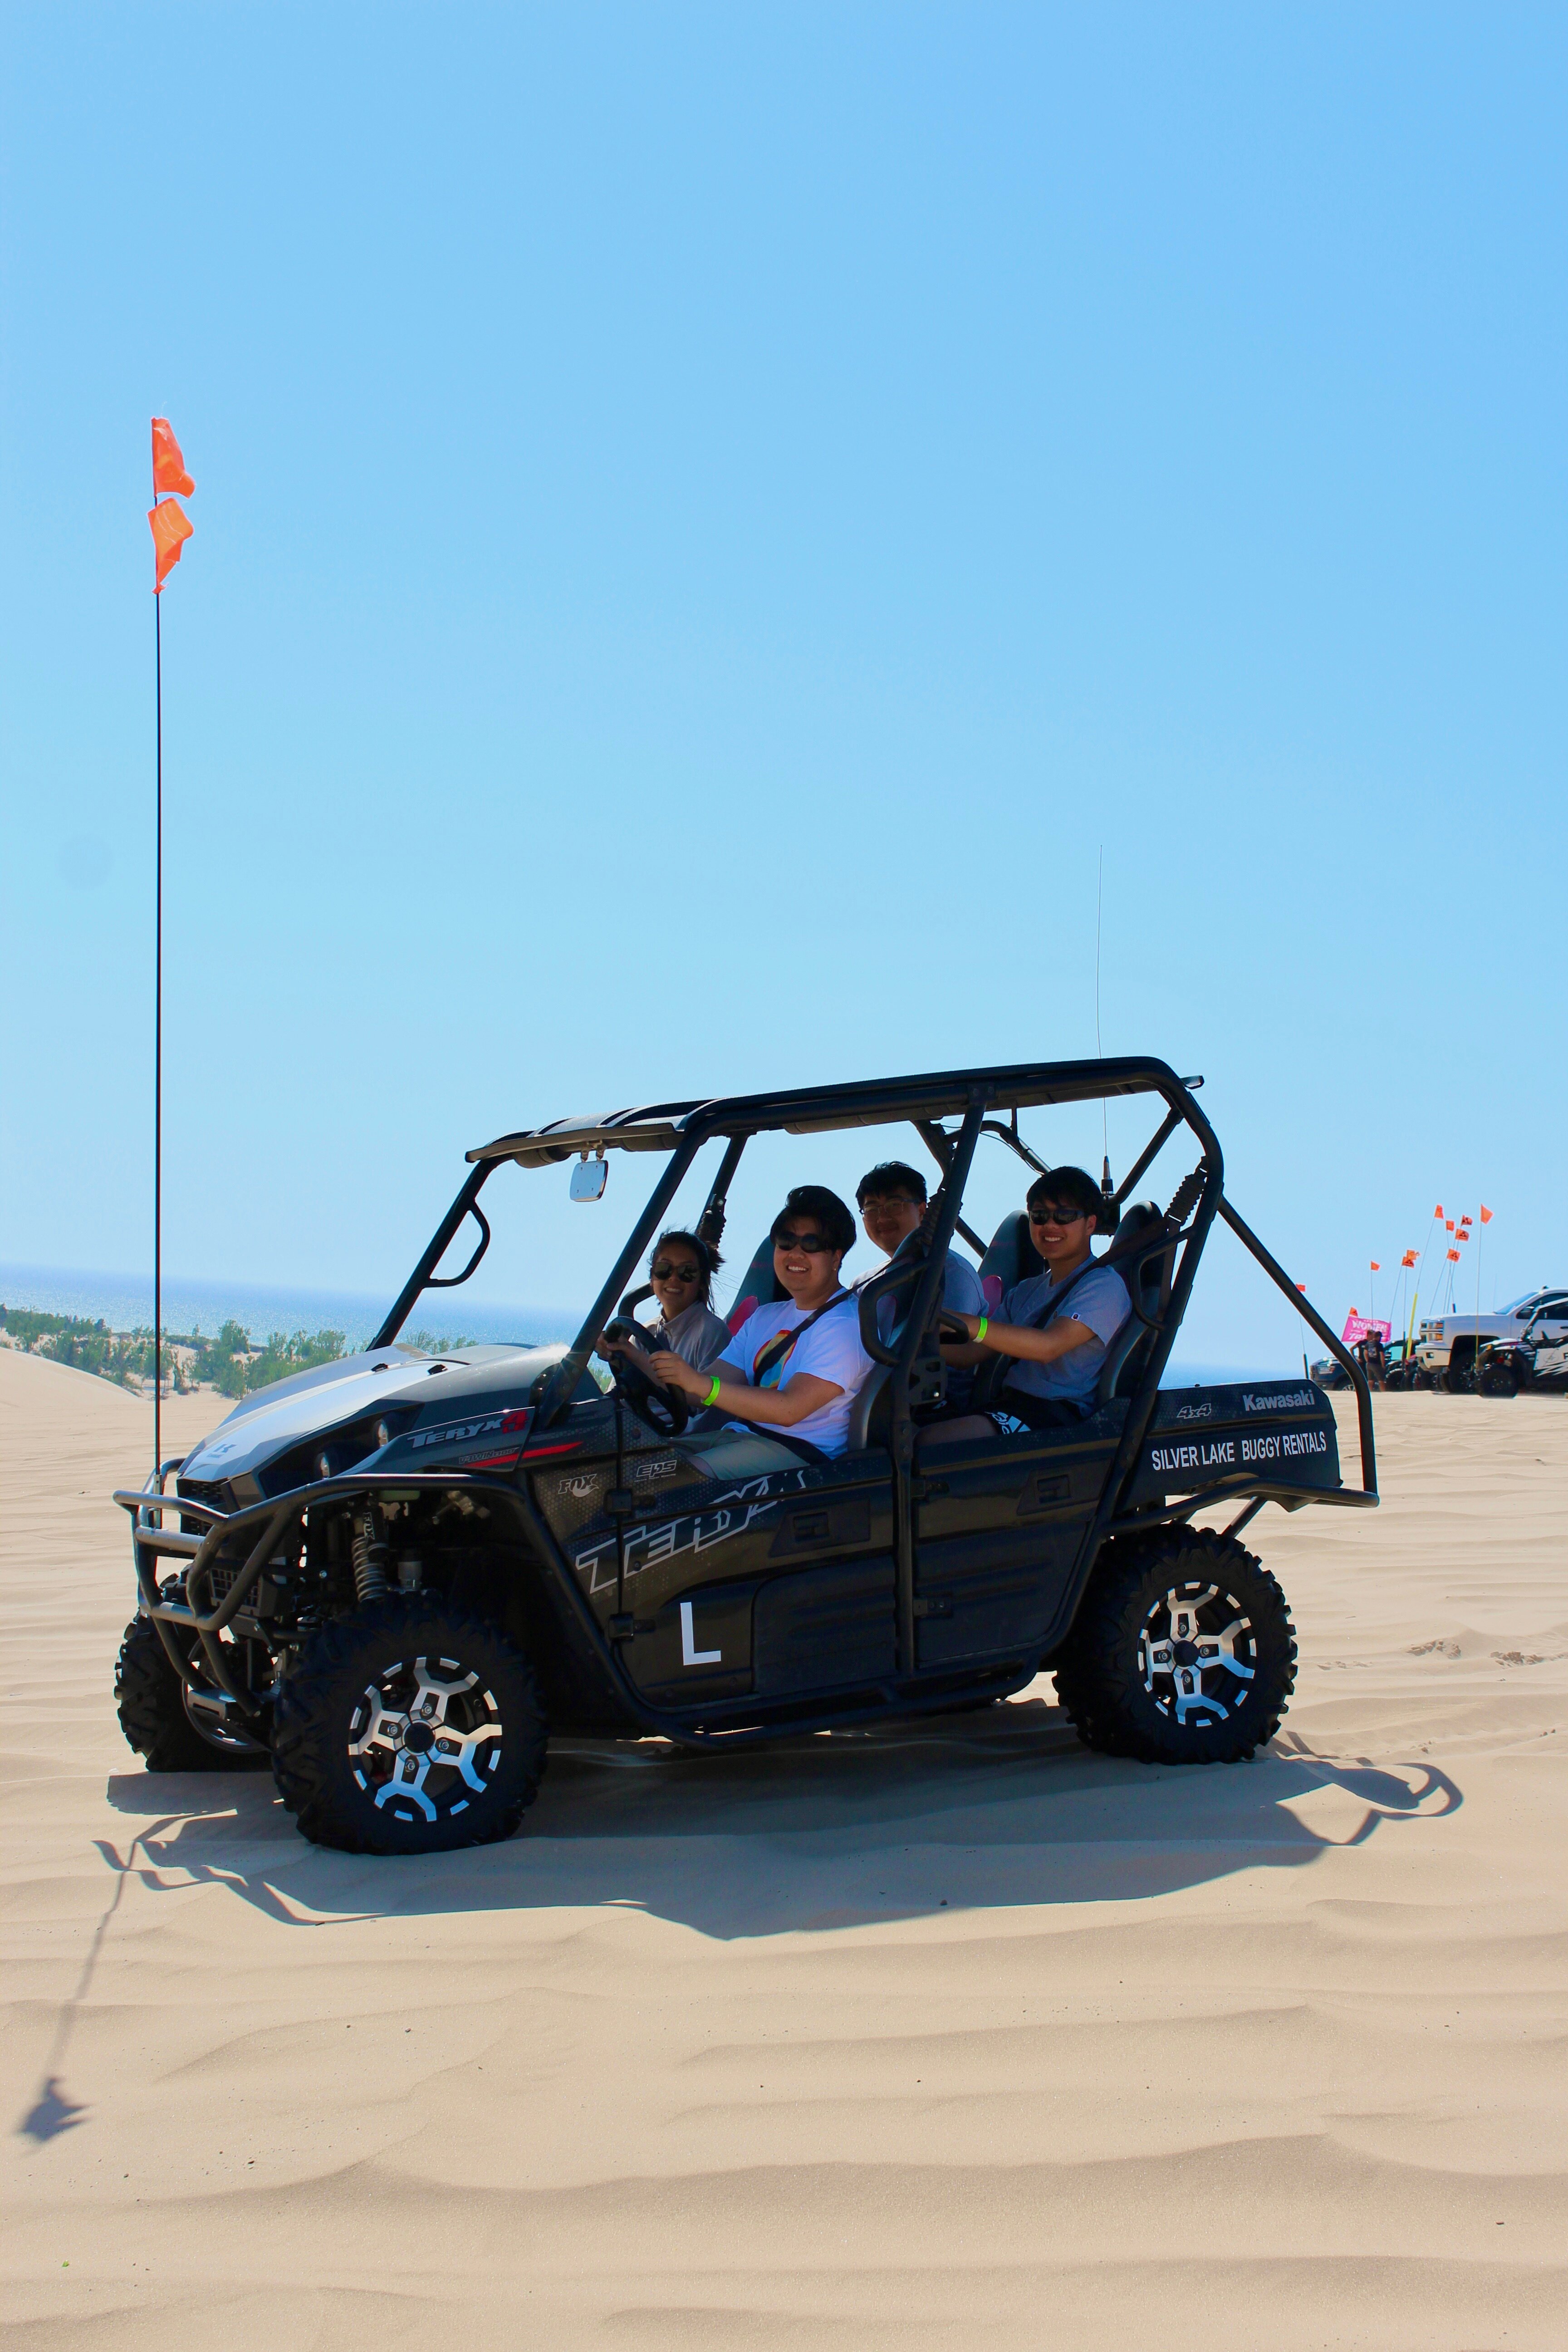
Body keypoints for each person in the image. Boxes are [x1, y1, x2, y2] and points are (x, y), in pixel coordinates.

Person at [645, 1185, 874, 1465]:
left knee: (674, 1483)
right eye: (786, 1241)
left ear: (836, 1257)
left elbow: (789, 1410)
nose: (796, 1253)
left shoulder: (843, 1325)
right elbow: (696, 1392)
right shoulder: (765, 1317)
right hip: (743, 1436)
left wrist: (702, 1385)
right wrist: (631, 1357)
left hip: (801, 1457)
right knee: (646, 1466)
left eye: (811, 1244)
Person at [941, 1166, 1129, 1429]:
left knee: (933, 1446)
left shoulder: (1103, 1286)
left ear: (1090, 1224)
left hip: (1058, 1418)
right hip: (1010, 1407)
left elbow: (1047, 1347)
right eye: (1040, 1215)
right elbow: (969, 1354)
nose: (1050, 1225)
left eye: (1064, 1215)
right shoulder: (1026, 1291)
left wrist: (970, 1324)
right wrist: (912, 1341)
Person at [855, 1159, 984, 1407]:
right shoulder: (864, 1284)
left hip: (930, 1404)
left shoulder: (949, 1272)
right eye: (871, 1209)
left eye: (894, 1205)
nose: (882, 1217)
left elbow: (942, 1353)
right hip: (870, 1397)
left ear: (923, 1211)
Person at [632, 1230, 730, 1373]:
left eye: (687, 1272)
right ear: (652, 1279)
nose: (673, 1278)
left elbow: (708, 1394)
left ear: (702, 1282)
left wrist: (636, 1358)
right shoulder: (644, 1334)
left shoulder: (712, 1333)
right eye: (664, 1269)